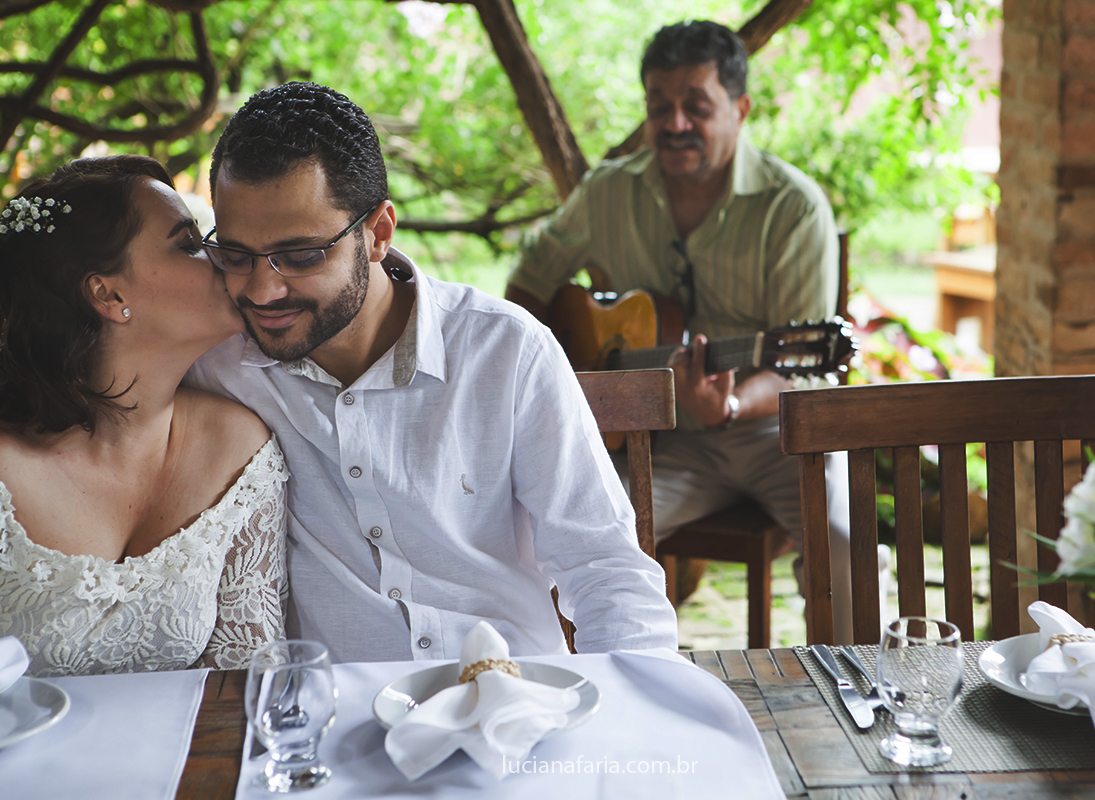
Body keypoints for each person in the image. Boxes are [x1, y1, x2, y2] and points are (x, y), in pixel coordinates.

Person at [186, 82, 677, 664]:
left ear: (378, 233)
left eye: (301, 255)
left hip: (514, 702)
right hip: (338, 722)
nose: (263, 290)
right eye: (236, 255)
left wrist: (630, 715)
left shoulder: (507, 351)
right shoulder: (217, 368)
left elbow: (605, 567)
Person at [505, 20, 856, 642]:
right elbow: (529, 284)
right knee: (551, 535)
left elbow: (803, 367)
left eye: (696, 106)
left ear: (741, 108)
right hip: (652, 440)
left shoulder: (793, 208)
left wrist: (728, 403)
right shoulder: (609, 193)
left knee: (847, 541)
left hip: (775, 430)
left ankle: (864, 695)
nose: (674, 124)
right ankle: (570, 697)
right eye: (658, 107)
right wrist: (571, 382)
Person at [0, 155, 288, 676]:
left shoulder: (238, 449)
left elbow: (250, 679)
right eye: (189, 244)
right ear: (109, 294)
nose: (221, 258)